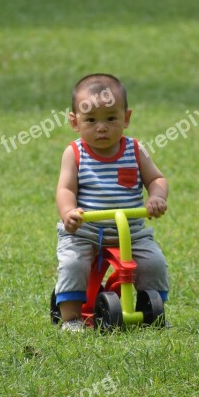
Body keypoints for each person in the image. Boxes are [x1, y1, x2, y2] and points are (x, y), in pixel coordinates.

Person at [55, 73, 169, 332]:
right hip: (85, 232)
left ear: (126, 118)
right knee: (73, 263)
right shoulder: (74, 153)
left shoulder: (135, 150)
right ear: (75, 122)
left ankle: (152, 309)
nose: (102, 127)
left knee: (154, 262)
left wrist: (157, 196)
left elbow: (157, 179)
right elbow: (65, 188)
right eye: (91, 120)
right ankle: (71, 318)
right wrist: (68, 212)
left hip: (131, 233)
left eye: (111, 118)